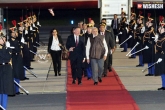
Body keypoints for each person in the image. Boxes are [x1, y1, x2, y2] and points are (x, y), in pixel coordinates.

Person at [0, 30, 15, 109]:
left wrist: (7, 49)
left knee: (5, 89)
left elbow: (7, 58)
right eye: (2, 39)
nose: (4, 40)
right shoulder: (5, 49)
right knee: (0, 89)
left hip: (6, 68)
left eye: (4, 39)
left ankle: (4, 107)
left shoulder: (7, 48)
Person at [9, 29, 25, 95]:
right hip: (13, 57)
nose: (14, 34)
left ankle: (17, 90)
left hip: (18, 57)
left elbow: (20, 47)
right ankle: (12, 90)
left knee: (18, 73)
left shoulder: (18, 40)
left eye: (15, 32)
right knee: (13, 73)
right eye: (13, 33)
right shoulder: (9, 42)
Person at [155, 22, 165, 90]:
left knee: (163, 72)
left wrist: (161, 58)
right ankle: (163, 85)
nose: (159, 29)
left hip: (163, 56)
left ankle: (164, 86)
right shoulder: (160, 36)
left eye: (161, 28)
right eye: (159, 28)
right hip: (159, 55)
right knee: (161, 71)